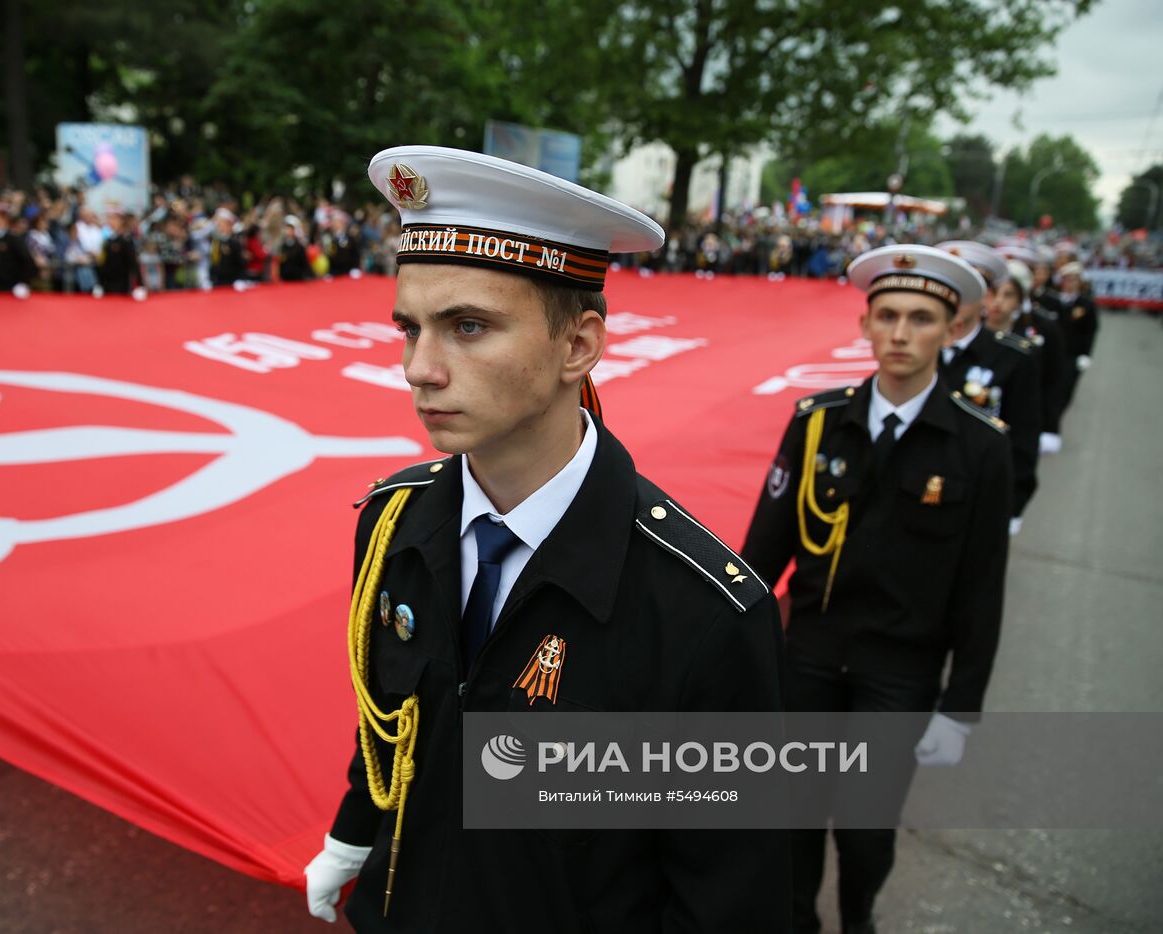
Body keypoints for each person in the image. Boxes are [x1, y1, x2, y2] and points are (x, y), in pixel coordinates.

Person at [303, 146, 788, 932]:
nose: (419, 369)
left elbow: (727, 896)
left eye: (468, 326)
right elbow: (393, 721)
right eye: (410, 327)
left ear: (578, 346)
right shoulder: (391, 523)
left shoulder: (701, 612)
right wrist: (356, 834)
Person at [743, 244, 1013, 934]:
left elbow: (983, 587)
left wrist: (962, 707)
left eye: (920, 318)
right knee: (793, 818)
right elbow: (762, 552)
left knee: (864, 832)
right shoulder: (818, 421)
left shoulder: (980, 446)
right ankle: (797, 920)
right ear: (864, 325)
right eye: (886, 315)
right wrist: (730, 652)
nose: (899, 333)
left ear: (951, 331)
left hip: (900, 671)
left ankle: (857, 916)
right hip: (809, 656)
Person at [934, 240, 1040, 530]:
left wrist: (1011, 504)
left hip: (976, 499)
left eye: (967, 288)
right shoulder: (917, 347)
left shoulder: (1013, 357)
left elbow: (1023, 439)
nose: (954, 298)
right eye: (948, 286)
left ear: (987, 297)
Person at [995, 248, 1068, 454]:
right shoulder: (981, 326)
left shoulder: (1045, 325)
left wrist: (1050, 426)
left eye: (1008, 294)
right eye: (994, 293)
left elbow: (1053, 381)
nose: (997, 302)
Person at [1053, 261, 1098, 416]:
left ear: (1080, 282)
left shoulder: (1086, 304)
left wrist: (1086, 354)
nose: (1069, 283)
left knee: (1065, 390)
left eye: (1073, 279)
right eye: (1066, 279)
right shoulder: (1053, 300)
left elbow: (1090, 330)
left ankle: (1056, 419)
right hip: (1053, 354)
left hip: (1072, 356)